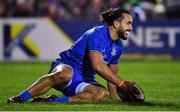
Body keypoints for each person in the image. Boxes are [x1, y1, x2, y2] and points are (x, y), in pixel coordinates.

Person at [7, 8, 133, 104]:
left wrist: (114, 101)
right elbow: (98, 66)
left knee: (101, 95)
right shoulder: (97, 34)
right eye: (128, 23)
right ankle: (19, 99)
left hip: (84, 79)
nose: (131, 28)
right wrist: (122, 83)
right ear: (116, 24)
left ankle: (52, 101)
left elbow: (112, 76)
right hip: (68, 66)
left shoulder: (118, 47)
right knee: (64, 74)